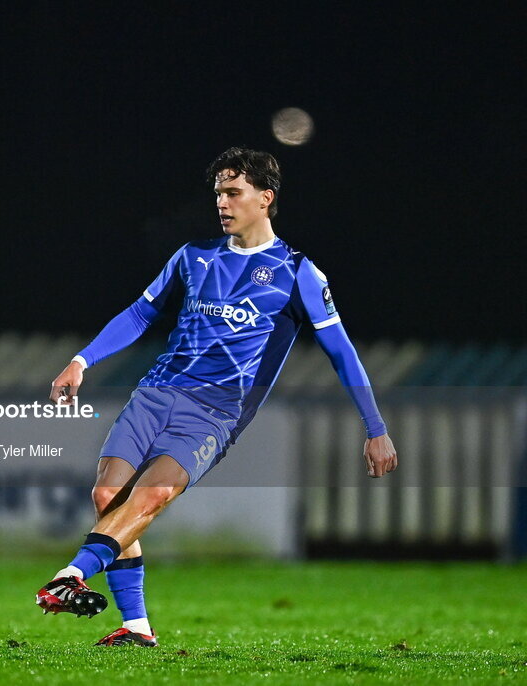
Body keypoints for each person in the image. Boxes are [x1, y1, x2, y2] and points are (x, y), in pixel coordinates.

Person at [35, 147, 397, 646]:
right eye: (218, 194)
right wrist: (81, 361)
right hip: (155, 394)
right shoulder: (193, 256)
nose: (222, 204)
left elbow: (343, 353)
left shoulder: (298, 273)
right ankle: (136, 627)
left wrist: (375, 429)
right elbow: (140, 315)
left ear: (265, 199)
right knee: (106, 497)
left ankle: (71, 573)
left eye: (233, 193)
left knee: (154, 494)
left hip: (215, 412)